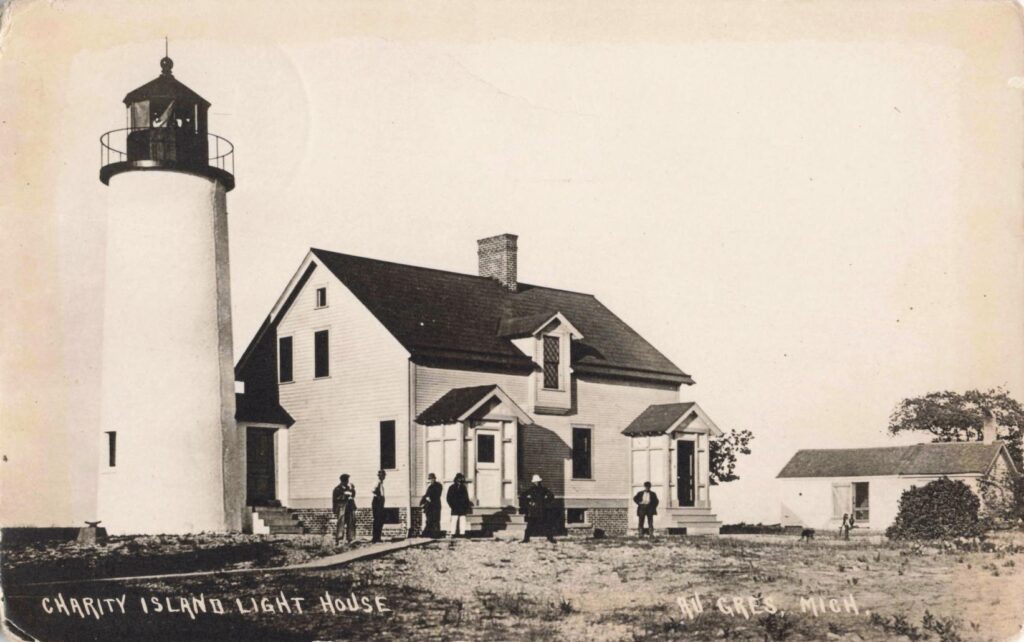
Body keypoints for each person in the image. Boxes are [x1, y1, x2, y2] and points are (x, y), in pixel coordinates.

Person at [521, 474, 555, 543]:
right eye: (535, 482)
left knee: (546, 524)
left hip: (542, 510)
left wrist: (546, 501)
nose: (536, 483)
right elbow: (523, 496)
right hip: (534, 510)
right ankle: (526, 539)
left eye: (537, 482)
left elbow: (551, 496)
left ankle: (550, 538)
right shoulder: (532, 489)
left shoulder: (544, 489)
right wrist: (529, 502)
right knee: (530, 525)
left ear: (539, 482)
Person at [332, 474, 356, 543]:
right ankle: (339, 539)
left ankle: (350, 538)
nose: (347, 482)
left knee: (351, 522)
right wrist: (344, 495)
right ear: (343, 481)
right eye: (346, 480)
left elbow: (353, 495)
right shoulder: (337, 489)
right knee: (341, 522)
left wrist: (353, 490)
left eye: (347, 480)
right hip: (341, 508)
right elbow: (336, 499)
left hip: (349, 507)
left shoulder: (348, 488)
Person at [446, 473, 472, 538]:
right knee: (454, 519)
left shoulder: (463, 487)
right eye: (458, 479)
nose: (460, 480)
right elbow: (448, 498)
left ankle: (462, 533)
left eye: (461, 479)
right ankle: (453, 533)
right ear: (456, 479)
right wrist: (452, 505)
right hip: (454, 507)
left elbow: (466, 497)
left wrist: (466, 506)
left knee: (462, 519)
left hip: (462, 507)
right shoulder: (451, 487)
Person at [419, 473, 443, 538]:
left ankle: (436, 534)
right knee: (429, 520)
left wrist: (430, 498)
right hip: (429, 507)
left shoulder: (438, 486)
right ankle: (427, 534)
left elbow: (437, 494)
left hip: (435, 506)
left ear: (435, 478)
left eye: (432, 479)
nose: (431, 480)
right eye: (430, 479)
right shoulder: (430, 487)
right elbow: (426, 495)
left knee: (435, 520)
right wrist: (422, 502)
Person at [371, 469, 386, 543]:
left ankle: (378, 537)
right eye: (382, 475)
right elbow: (373, 490)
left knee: (380, 520)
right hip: (377, 502)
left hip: (380, 502)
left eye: (384, 475)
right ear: (379, 475)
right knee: (377, 519)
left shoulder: (381, 483)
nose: (384, 477)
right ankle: (375, 538)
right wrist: (378, 496)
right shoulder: (377, 482)